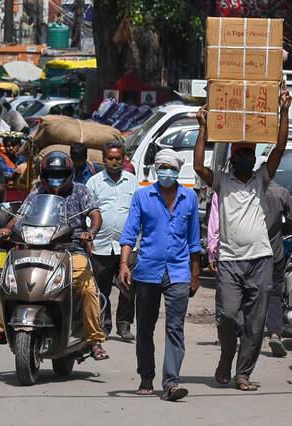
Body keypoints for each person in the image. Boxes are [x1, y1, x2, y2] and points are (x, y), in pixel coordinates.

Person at [194, 91, 290, 391]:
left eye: (249, 154)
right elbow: (199, 167)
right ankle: (226, 355)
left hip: (261, 258)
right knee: (228, 318)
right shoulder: (222, 181)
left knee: (255, 322)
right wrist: (202, 127)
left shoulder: (262, 179)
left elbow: (278, 147)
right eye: (240, 154)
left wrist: (284, 110)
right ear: (233, 158)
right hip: (230, 260)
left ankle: (243, 373)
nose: (246, 159)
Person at [0, 151, 110, 362]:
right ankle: (1, 329)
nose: (56, 179)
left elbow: (95, 215)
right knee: (9, 282)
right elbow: (20, 215)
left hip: (71, 250)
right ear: (43, 175)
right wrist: (8, 228)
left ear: (70, 174)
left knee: (87, 288)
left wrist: (91, 232)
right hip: (37, 247)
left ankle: (94, 339)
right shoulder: (37, 192)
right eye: (51, 174)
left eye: (60, 174)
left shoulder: (81, 191)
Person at [119, 148, 200, 401]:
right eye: (162, 167)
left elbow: (194, 241)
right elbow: (130, 233)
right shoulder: (142, 196)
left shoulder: (190, 198)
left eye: (171, 168)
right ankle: (146, 376)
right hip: (147, 271)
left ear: (178, 171)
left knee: (175, 327)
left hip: (178, 272)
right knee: (144, 326)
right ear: (156, 169)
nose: (167, 172)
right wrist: (123, 263)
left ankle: (171, 383)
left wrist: (195, 274)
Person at [207, 183, 292, 358]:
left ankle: (242, 336)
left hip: (242, 255)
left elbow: (216, 227)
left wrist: (212, 252)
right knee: (272, 295)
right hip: (272, 253)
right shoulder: (281, 193)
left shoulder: (236, 192)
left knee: (242, 299)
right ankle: (274, 332)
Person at [86, 140, 138, 341]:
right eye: (110, 158)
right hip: (101, 245)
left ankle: (124, 326)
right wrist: (88, 237)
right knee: (101, 288)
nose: (114, 162)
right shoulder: (94, 182)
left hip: (127, 244)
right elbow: (87, 212)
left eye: (118, 159)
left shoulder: (132, 181)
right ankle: (103, 324)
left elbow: (139, 211)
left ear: (123, 159)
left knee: (128, 286)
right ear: (103, 159)